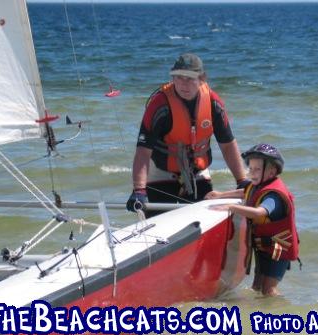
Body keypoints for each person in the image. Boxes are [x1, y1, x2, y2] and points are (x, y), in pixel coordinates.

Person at [126, 53, 248, 216]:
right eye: (179, 77)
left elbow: (227, 145)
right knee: (160, 229)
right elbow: (143, 151)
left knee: (203, 221)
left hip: (197, 173)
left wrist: (242, 181)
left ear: (202, 79)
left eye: (190, 78)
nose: (184, 84)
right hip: (161, 172)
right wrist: (139, 190)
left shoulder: (213, 103)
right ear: (173, 78)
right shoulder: (159, 105)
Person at [206, 143, 300, 296]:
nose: (252, 173)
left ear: (271, 172)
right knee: (257, 286)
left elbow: (258, 213)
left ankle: (279, 312)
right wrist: (220, 195)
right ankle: (258, 310)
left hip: (278, 249)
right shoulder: (257, 186)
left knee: (268, 289)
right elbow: (245, 192)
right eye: (250, 168)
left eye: (257, 169)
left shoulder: (273, 196)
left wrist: (232, 207)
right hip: (264, 247)